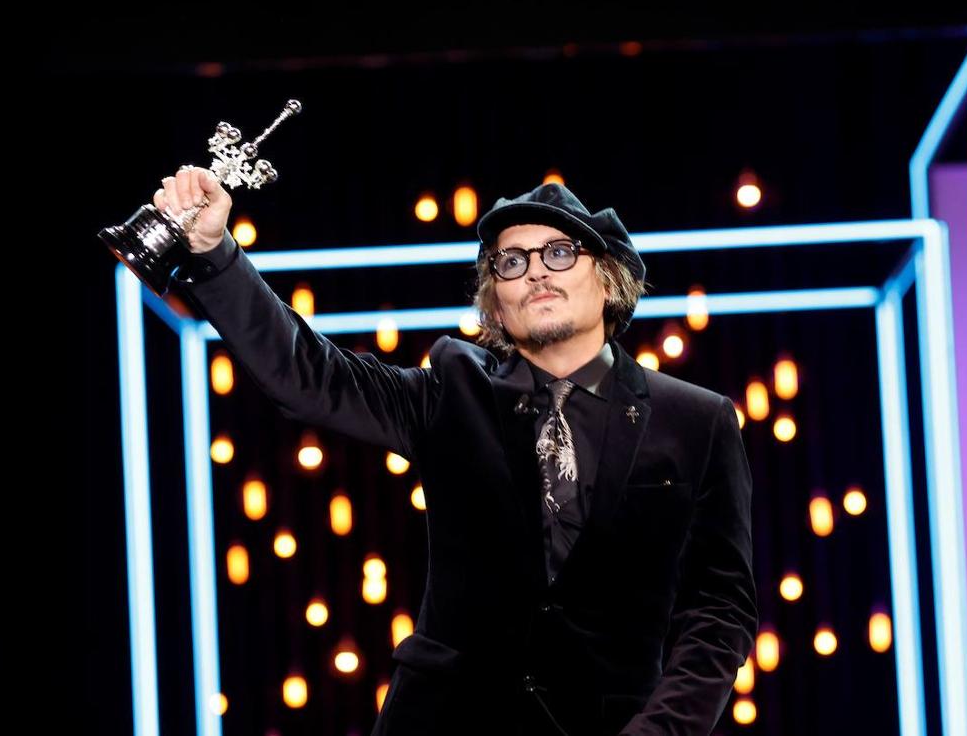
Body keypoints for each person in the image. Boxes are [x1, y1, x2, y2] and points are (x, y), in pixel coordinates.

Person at [156, 168, 757, 735]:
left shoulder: (697, 419)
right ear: (495, 300)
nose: (536, 274)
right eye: (511, 263)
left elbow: (720, 608)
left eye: (559, 253)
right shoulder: (450, 389)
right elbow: (304, 375)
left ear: (608, 278)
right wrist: (216, 253)